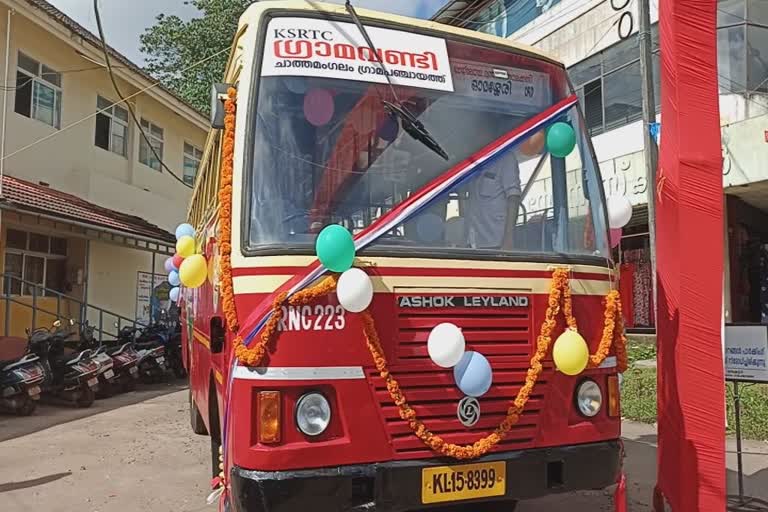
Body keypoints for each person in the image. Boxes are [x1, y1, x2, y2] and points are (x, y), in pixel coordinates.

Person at [465, 145, 522, 250]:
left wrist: (508, 238)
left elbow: (513, 198)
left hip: (496, 241)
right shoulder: (471, 159)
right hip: (473, 241)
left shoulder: (506, 158)